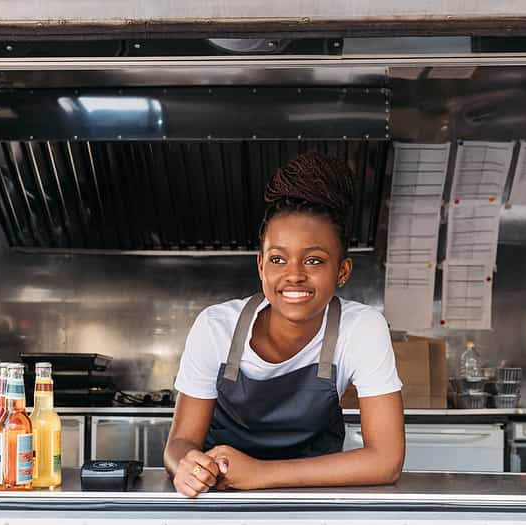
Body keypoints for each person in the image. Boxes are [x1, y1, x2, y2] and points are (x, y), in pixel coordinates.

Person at [164, 151, 405, 497]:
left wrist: (260, 473)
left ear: (342, 271)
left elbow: (386, 461)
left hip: (315, 503)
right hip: (219, 501)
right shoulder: (216, 327)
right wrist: (187, 466)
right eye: (278, 259)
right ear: (261, 266)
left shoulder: (361, 329)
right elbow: (180, 443)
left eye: (314, 260)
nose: (294, 275)